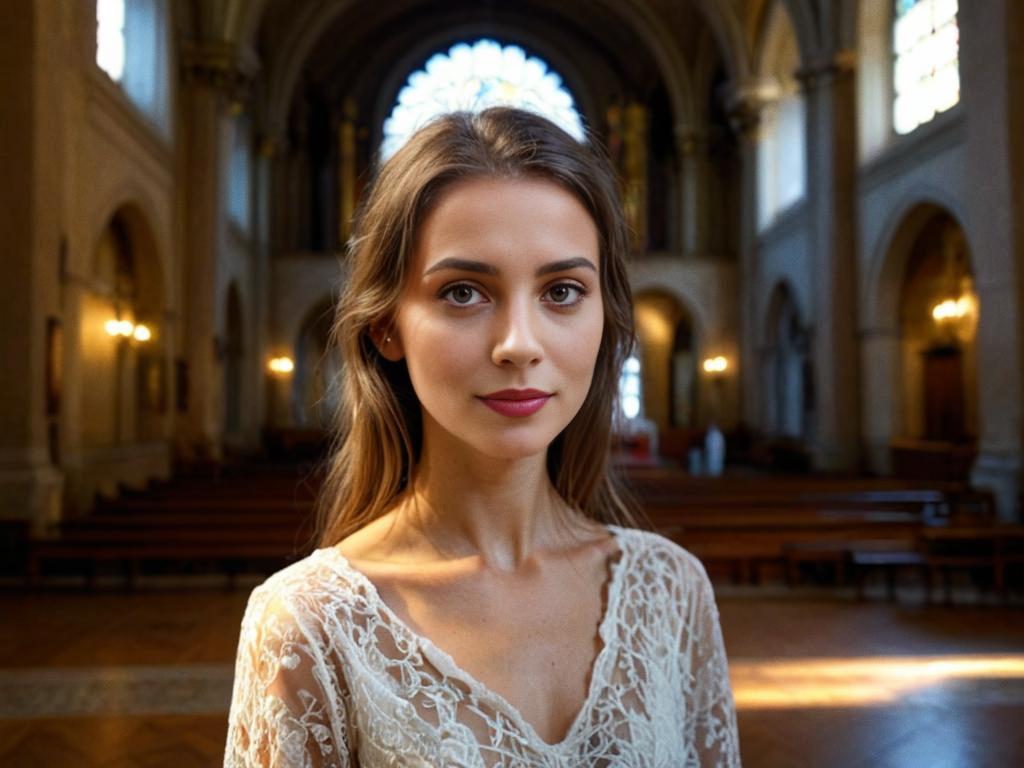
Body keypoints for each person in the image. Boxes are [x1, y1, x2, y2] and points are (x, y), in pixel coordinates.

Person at [225, 107, 740, 767]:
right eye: (463, 292)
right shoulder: (308, 623)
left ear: (605, 319)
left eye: (561, 291)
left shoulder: (671, 589)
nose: (519, 344)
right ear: (387, 326)